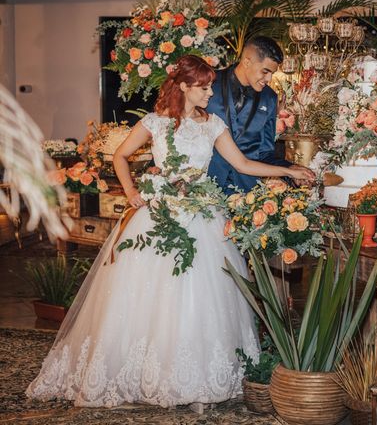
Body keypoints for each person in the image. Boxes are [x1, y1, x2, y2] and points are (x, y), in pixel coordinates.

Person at [26, 55, 314, 410]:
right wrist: (132, 192)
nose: (211, 92)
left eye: (211, 85)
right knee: (145, 296)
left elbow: (242, 164)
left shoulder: (214, 125)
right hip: (157, 215)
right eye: (204, 87)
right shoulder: (156, 122)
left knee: (202, 295)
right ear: (183, 87)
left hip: (202, 216)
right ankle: (143, 372)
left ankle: (195, 377)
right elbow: (121, 156)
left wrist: (287, 172)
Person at [206, 35, 308, 192]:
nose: (269, 78)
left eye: (272, 73)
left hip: (246, 192)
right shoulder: (208, 83)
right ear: (247, 62)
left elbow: (265, 153)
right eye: (265, 71)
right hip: (205, 186)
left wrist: (291, 170)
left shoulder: (270, 98)